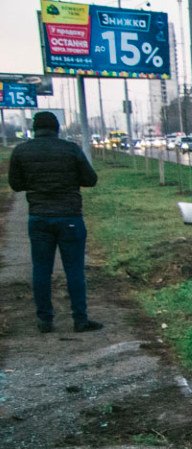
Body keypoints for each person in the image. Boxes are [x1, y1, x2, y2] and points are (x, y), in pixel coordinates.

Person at [7, 111, 101, 333]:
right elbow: (91, 179)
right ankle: (80, 319)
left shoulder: (21, 151)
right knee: (74, 270)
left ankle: (45, 320)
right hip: (69, 216)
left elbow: (16, 185)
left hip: (39, 217)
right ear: (57, 128)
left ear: (35, 128)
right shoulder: (70, 149)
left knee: (41, 269)